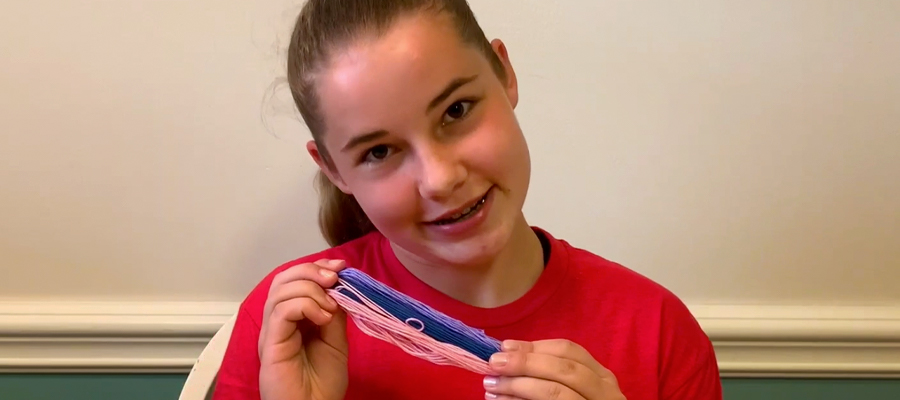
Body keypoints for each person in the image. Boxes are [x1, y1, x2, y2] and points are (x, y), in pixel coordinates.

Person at [211, 0, 722, 399]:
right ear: (332, 169)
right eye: (380, 151)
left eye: (456, 111)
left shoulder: (656, 332)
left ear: (505, 73)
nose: (438, 179)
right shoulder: (286, 326)